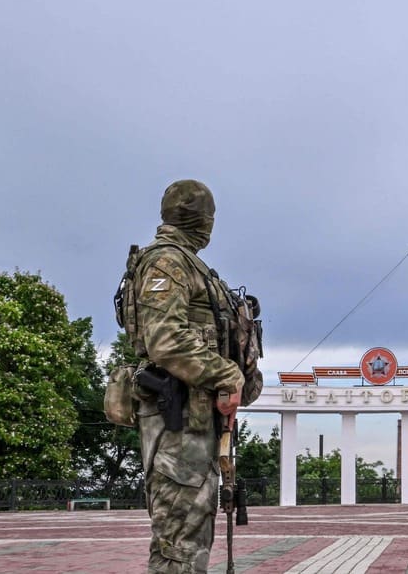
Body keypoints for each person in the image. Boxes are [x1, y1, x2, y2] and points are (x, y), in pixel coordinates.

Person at [132, 179, 262, 573]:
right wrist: (227, 375)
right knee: (179, 545)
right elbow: (165, 339)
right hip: (178, 424)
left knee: (190, 537)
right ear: (201, 220)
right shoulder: (167, 262)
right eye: (209, 218)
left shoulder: (189, 263)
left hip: (196, 424)